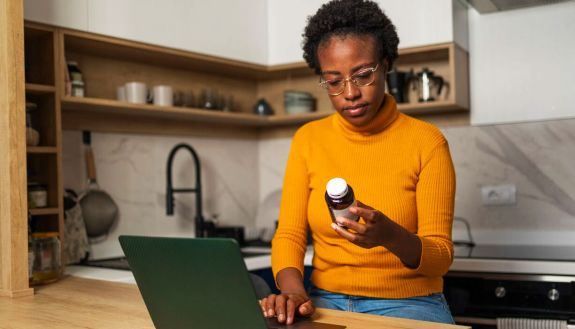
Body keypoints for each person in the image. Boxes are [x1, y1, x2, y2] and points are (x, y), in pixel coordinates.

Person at [259, 0, 457, 325]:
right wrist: (294, 291)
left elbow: (441, 258)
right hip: (325, 302)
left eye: (363, 75)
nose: (349, 93)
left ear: (386, 64)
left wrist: (390, 236)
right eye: (334, 81)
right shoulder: (308, 139)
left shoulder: (428, 142)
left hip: (409, 305)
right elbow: (290, 235)